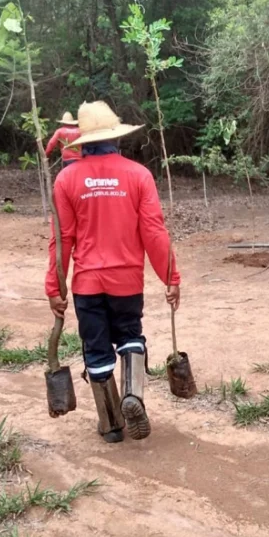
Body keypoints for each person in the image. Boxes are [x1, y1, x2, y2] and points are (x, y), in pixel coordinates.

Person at [46, 101, 181, 444]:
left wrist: (55, 287)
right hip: (127, 282)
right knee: (130, 336)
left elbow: (62, 240)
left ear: (83, 142)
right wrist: (170, 277)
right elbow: (154, 232)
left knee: (96, 348)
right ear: (116, 138)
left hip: (88, 284)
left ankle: (111, 425)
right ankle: (133, 395)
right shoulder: (138, 175)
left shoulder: (66, 178)